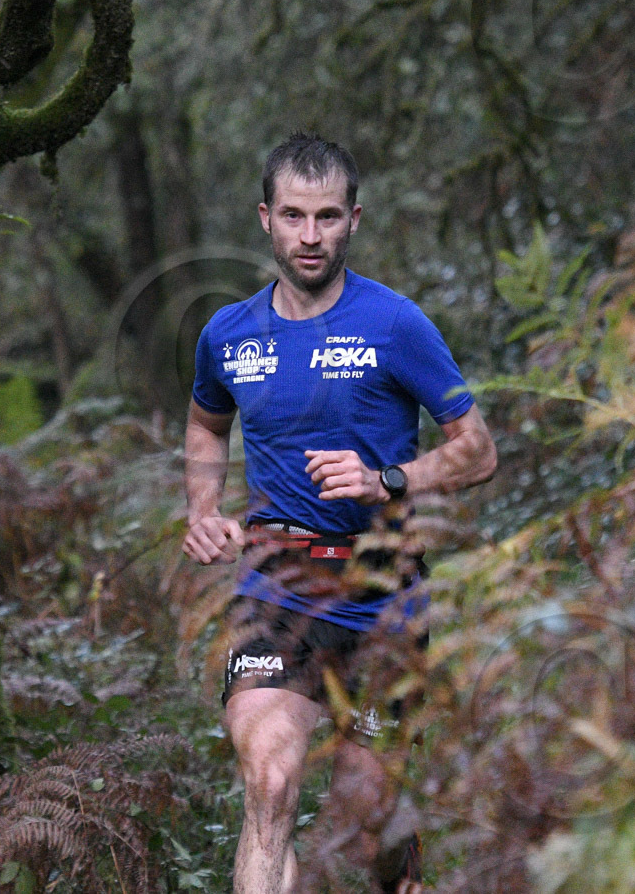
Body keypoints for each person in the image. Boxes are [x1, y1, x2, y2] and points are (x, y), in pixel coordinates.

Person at [182, 132, 497, 894]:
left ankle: (400, 862)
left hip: (380, 591)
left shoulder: (395, 323)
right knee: (270, 781)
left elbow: (477, 450)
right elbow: (205, 423)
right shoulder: (228, 334)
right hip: (276, 584)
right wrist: (205, 507)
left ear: (354, 218)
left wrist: (388, 478)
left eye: (327, 216)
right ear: (266, 218)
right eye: (294, 215)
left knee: (366, 819)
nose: (310, 235)